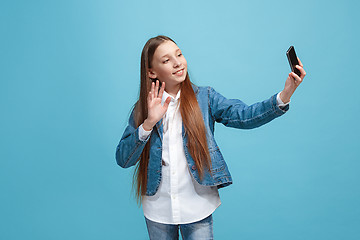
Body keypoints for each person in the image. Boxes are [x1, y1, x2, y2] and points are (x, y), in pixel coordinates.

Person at [115, 35, 306, 240]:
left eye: (179, 54)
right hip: (158, 209)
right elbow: (124, 159)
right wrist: (148, 123)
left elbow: (245, 115)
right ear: (151, 71)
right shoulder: (143, 109)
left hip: (198, 206)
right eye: (166, 60)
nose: (178, 62)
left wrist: (284, 96)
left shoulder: (205, 98)